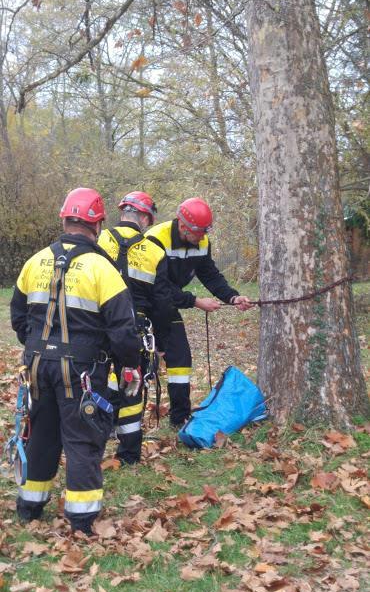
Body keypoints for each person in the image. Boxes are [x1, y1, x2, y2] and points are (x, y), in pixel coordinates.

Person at [10, 187, 141, 535]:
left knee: (42, 434)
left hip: (38, 366)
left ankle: (30, 507)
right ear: (97, 225)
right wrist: (128, 364)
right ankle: (81, 519)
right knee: (82, 438)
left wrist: (38, 346)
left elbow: (18, 316)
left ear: (64, 220)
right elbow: (123, 330)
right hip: (82, 371)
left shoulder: (34, 261)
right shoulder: (102, 269)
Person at [145, 197, 253, 428]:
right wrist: (194, 301)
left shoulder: (202, 242)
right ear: (183, 226)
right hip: (142, 304)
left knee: (180, 359)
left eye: (205, 231)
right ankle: (116, 420)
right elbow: (157, 286)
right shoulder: (156, 239)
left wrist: (232, 297)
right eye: (199, 232)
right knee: (135, 363)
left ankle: (179, 418)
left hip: (168, 305)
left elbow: (210, 274)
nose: (203, 237)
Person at [98, 191, 173, 464]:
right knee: (132, 386)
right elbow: (162, 304)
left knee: (95, 383)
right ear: (143, 217)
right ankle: (129, 453)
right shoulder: (154, 251)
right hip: (136, 331)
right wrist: (162, 344)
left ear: (123, 213)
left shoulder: (99, 239)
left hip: (98, 328)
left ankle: (96, 438)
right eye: (148, 219)